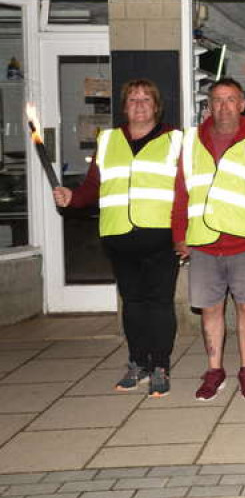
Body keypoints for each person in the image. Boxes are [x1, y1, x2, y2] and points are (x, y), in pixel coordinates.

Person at [53, 79, 181, 397]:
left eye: (146, 100)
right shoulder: (108, 140)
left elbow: (184, 192)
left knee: (160, 303)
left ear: (156, 106)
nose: (139, 105)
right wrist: (73, 197)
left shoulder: (175, 140)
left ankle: (160, 366)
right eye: (133, 100)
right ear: (124, 107)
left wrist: (183, 235)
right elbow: (93, 187)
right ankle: (138, 362)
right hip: (118, 236)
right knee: (133, 304)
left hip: (160, 237)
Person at [172, 78, 245, 401]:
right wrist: (179, 235)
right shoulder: (192, 141)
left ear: (243, 103)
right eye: (217, 100)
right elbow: (181, 191)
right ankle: (214, 369)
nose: (224, 106)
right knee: (210, 309)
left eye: (231, 99)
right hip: (204, 241)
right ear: (209, 105)